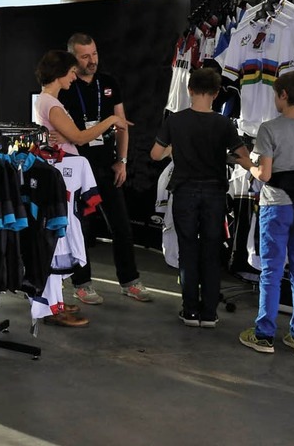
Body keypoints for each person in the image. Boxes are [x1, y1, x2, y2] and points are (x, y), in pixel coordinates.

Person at [34, 50, 131, 327]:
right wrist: (111, 121)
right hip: (62, 176)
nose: (74, 77)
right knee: (60, 238)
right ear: (60, 73)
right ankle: (51, 306)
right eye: (71, 72)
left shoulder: (46, 101)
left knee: (62, 236)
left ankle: (55, 301)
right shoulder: (52, 103)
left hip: (63, 174)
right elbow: (80, 137)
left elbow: (70, 136)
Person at [150, 68, 252, 327]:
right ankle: (209, 312)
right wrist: (225, 157)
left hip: (184, 191)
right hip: (214, 193)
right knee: (211, 250)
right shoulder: (223, 123)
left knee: (187, 249)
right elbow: (243, 156)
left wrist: (175, 148)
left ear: (189, 90)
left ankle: (190, 310)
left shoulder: (175, 121)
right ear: (216, 94)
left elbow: (155, 154)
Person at [58, 33, 152, 304]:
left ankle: (130, 281)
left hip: (106, 166)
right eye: (85, 56)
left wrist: (122, 161)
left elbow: (122, 124)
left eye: (95, 54)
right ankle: (81, 283)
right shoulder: (66, 86)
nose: (92, 60)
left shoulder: (108, 82)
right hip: (77, 168)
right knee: (81, 229)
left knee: (121, 226)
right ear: (72, 58)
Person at [239, 71, 294, 354]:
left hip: (276, 206)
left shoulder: (269, 128)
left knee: (271, 270)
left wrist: (247, 164)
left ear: (283, 95)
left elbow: (265, 174)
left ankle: (264, 334)